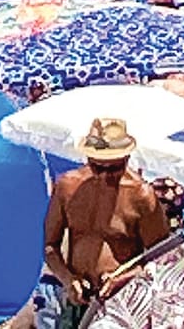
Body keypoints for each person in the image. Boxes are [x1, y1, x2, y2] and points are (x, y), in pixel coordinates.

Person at [40, 120, 170, 325]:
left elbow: (163, 259)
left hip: (124, 302)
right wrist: (68, 279)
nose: (104, 176)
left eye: (114, 169)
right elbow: (49, 246)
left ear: (126, 158)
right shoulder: (67, 187)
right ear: (88, 158)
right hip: (78, 300)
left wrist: (122, 278)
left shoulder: (141, 195)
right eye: (98, 168)